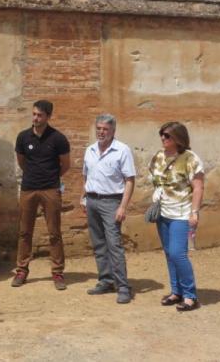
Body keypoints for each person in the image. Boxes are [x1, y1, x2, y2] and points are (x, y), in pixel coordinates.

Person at [12, 99, 70, 290]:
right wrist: (33, 175)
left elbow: (66, 165)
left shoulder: (58, 139)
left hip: (50, 189)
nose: (35, 118)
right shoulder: (23, 137)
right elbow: (21, 162)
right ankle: (21, 270)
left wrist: (51, 178)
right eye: (34, 114)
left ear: (48, 117)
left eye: (40, 115)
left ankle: (57, 272)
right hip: (28, 188)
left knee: (54, 233)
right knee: (24, 232)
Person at [149, 121, 204, 312]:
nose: (163, 139)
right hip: (162, 212)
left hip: (181, 212)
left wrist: (194, 212)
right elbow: (156, 180)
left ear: (178, 138)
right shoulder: (158, 157)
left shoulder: (191, 159)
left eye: (167, 136)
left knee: (178, 253)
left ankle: (190, 295)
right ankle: (176, 291)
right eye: (162, 135)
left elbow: (198, 187)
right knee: (168, 253)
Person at [80, 114, 135, 304]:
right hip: (93, 201)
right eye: (99, 128)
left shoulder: (122, 150)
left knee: (114, 245)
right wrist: (84, 197)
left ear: (113, 131)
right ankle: (105, 280)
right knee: (98, 244)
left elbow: (129, 180)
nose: (101, 132)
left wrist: (123, 206)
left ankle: (123, 287)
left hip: (112, 202)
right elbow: (86, 176)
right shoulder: (90, 150)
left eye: (105, 129)